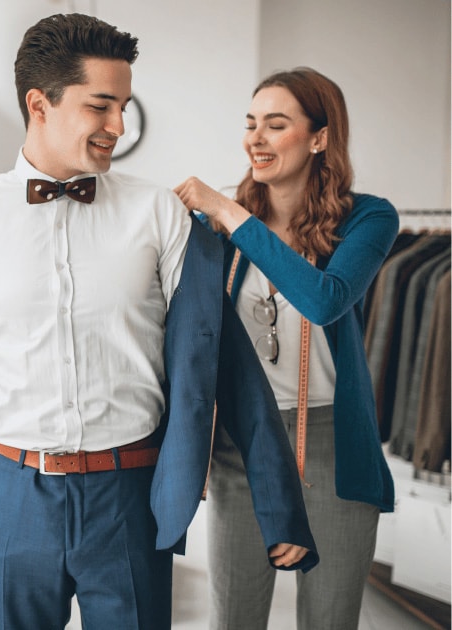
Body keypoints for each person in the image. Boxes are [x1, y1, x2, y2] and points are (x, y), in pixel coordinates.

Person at [0, 17, 319, 630]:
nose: (118, 126)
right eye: (101, 106)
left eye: (125, 106)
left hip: (129, 496)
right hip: (12, 495)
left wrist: (280, 509)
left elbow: (222, 363)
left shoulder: (159, 214)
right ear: (40, 104)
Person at [175, 67, 398, 630]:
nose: (256, 138)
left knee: (329, 620)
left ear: (319, 137)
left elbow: (325, 300)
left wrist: (231, 214)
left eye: (276, 125)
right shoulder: (213, 231)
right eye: (251, 124)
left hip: (333, 445)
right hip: (241, 445)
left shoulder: (367, 219)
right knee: (235, 619)